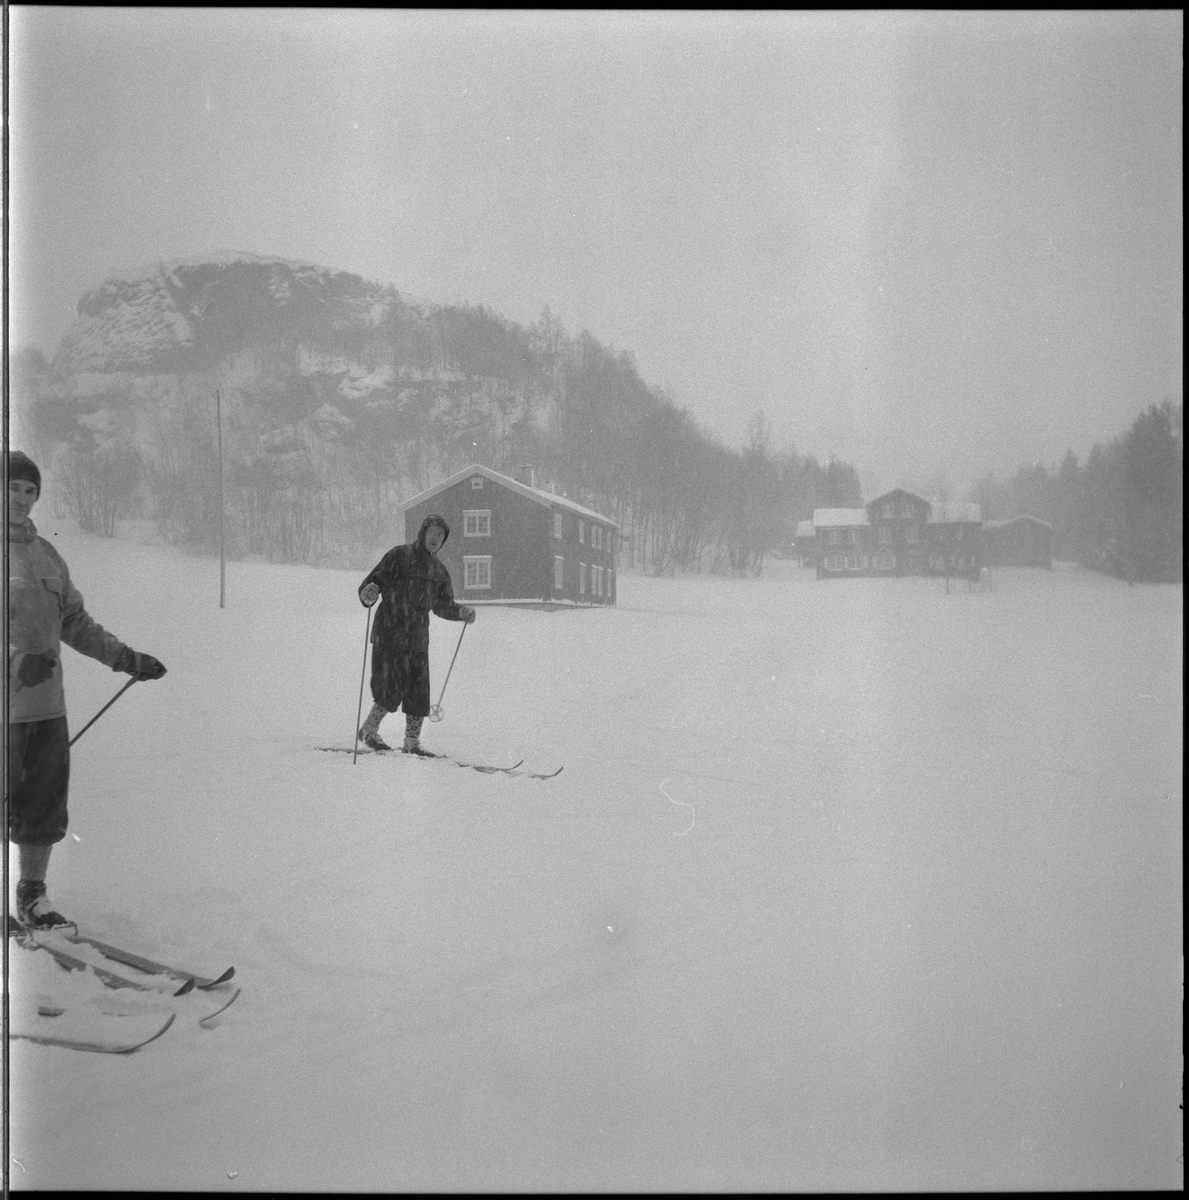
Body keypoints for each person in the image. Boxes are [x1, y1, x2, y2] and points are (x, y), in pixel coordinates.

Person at [6, 451, 167, 929]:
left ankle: (32, 897)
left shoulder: (47, 555)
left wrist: (126, 659)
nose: (20, 498)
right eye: (12, 487)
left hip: (45, 710)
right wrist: (16, 662)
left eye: (29, 491)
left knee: (42, 806)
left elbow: (73, 622)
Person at [357, 513, 475, 754]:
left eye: (440, 535)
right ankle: (369, 730)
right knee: (391, 686)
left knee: (418, 691)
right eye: (432, 532)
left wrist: (461, 612)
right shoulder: (399, 556)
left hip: (418, 639)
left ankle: (412, 742)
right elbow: (374, 582)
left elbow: (443, 605)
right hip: (389, 633)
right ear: (422, 534)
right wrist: (367, 593)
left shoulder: (439, 571)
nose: (436, 538)